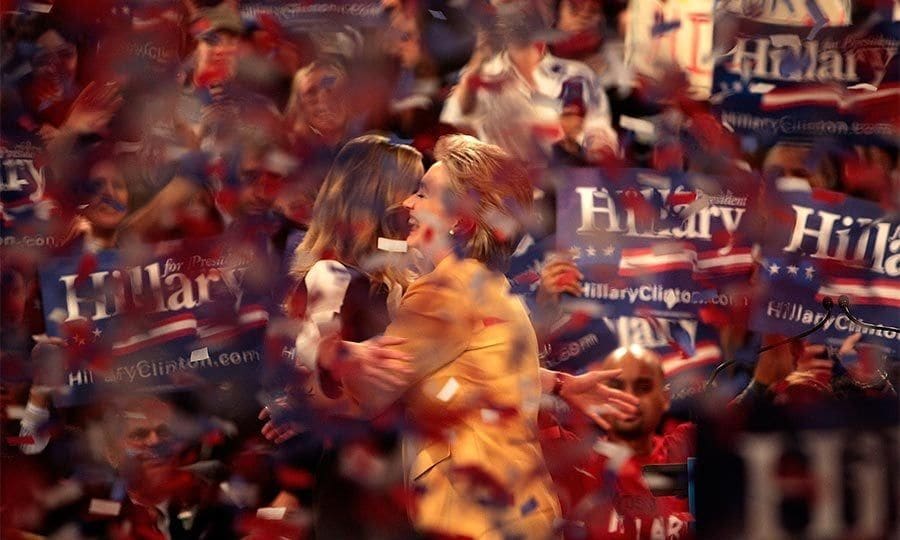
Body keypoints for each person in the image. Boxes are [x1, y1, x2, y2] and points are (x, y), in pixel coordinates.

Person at [308, 134, 563, 538]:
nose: (408, 203)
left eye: (424, 193)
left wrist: (325, 352)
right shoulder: (483, 285)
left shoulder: (446, 290)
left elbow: (371, 393)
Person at [440, 3, 616, 163]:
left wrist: (585, 144)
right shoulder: (480, 75)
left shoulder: (578, 76)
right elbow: (451, 134)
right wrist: (479, 59)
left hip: (563, 188)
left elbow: (600, 137)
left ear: (549, 16)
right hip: (499, 189)